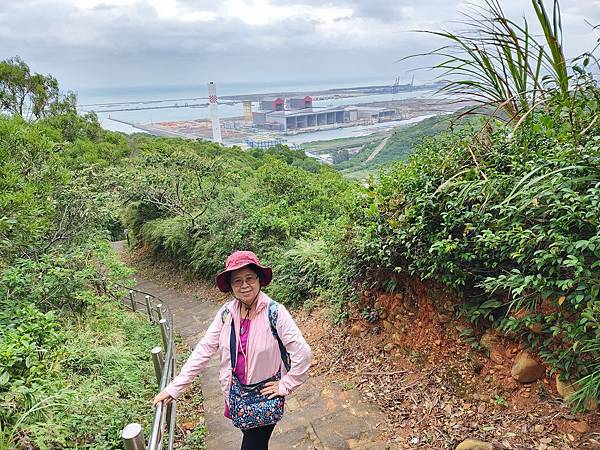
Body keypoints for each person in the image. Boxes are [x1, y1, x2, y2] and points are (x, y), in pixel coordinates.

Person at [153, 250, 312, 450]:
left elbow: (303, 353)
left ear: (259, 280)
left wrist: (286, 384)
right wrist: (175, 388)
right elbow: (203, 350)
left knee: (253, 444)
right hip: (236, 394)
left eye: (249, 278)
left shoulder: (275, 312)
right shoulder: (227, 314)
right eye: (237, 281)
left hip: (265, 396)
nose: (244, 285)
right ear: (230, 286)